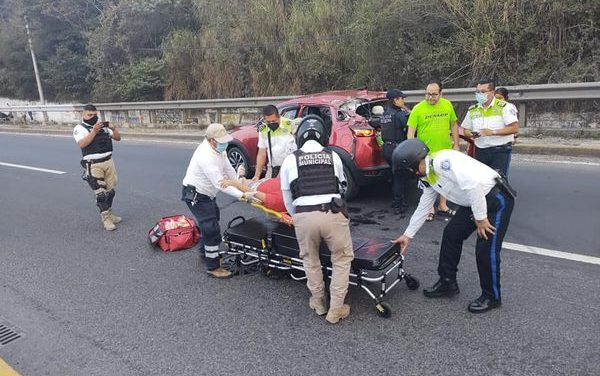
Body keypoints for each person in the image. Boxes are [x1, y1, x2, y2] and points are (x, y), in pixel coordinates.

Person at [391, 139, 515, 313]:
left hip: (495, 199)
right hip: (473, 200)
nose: (410, 174)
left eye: (409, 170)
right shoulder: (428, 174)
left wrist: (480, 218)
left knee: (486, 249)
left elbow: (473, 186)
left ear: (413, 165)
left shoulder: (443, 163)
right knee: (451, 234)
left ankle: (492, 296)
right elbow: (424, 206)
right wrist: (407, 235)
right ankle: (447, 282)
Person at [279, 115, 354, 324]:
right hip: (332, 214)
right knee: (341, 259)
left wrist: (298, 217)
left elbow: (287, 197)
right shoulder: (334, 156)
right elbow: (342, 187)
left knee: (310, 259)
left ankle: (319, 302)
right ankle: (336, 309)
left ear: (300, 136)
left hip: (303, 215)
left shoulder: (290, 159)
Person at [182, 123, 261, 279]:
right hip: (196, 195)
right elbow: (220, 183)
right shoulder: (206, 156)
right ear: (212, 140)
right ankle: (213, 266)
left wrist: (241, 184)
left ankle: (205, 251)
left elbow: (229, 171)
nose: (225, 143)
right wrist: (243, 196)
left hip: (208, 195)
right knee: (211, 228)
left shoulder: (219, 150)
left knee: (213, 219)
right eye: (222, 141)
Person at [407, 80, 460, 221]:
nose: (430, 97)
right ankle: (430, 208)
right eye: (428, 94)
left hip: (445, 151)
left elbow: (454, 125)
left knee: (446, 179)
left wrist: (456, 144)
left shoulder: (447, 105)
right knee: (429, 181)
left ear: (441, 93)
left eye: (434, 94)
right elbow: (410, 133)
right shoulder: (418, 109)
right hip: (426, 154)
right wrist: (414, 152)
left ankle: (443, 205)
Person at [73, 104, 122, 231]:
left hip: (108, 162)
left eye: (95, 115)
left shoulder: (103, 127)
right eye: (89, 115)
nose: (93, 117)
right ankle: (105, 219)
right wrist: (94, 131)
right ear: (83, 115)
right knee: (100, 194)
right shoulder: (80, 128)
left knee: (111, 192)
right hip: (94, 164)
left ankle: (110, 214)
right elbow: (82, 144)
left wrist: (113, 128)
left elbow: (118, 138)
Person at [461, 79, 519, 176]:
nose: (479, 94)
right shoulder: (473, 109)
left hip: (500, 151)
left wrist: (493, 132)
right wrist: (471, 134)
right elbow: (465, 130)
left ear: (492, 92)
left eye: (483, 92)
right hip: (480, 151)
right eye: (477, 92)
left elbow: (514, 128)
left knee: (498, 182)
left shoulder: (505, 107)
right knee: (481, 182)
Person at [380, 88, 411, 215]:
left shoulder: (385, 114)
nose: (403, 101)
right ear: (395, 100)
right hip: (397, 149)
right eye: (401, 98)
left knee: (395, 175)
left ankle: (396, 200)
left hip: (386, 148)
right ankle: (398, 204)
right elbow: (411, 126)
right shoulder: (399, 114)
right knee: (400, 177)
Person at [252, 105, 296, 181]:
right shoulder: (263, 129)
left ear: (279, 116)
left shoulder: (290, 124)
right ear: (265, 120)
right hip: (273, 168)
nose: (271, 123)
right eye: (268, 122)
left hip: (290, 167)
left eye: (274, 121)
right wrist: (256, 176)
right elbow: (262, 154)